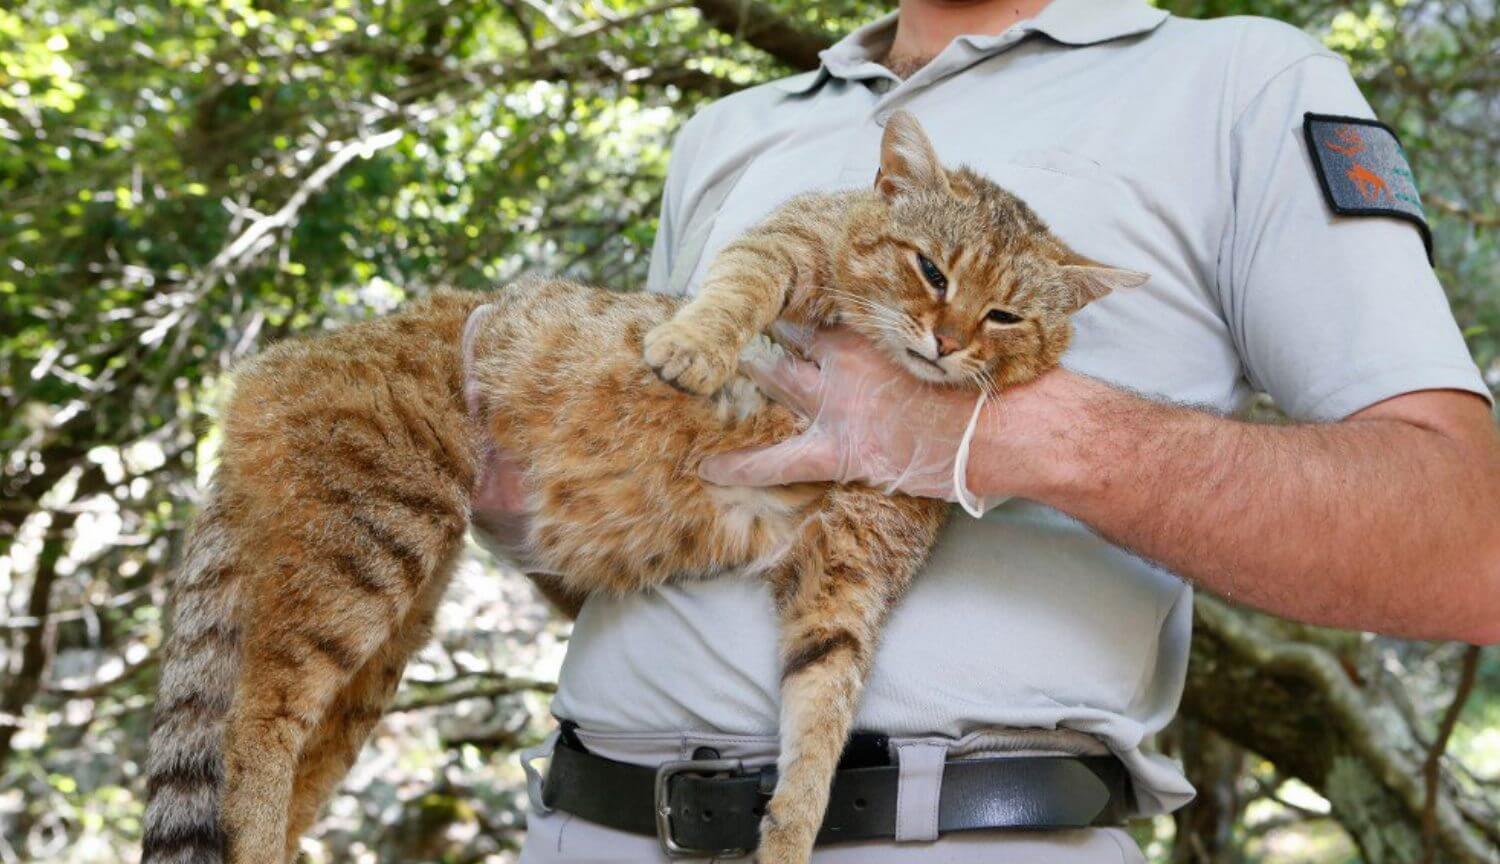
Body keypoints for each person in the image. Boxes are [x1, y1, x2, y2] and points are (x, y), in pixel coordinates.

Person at [474, 0, 1500, 860]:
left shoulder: (1241, 81)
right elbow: (654, 542)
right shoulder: (730, 129)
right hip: (586, 820)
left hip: (966, 830)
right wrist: (521, 503)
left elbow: (1470, 543)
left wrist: (1001, 436)